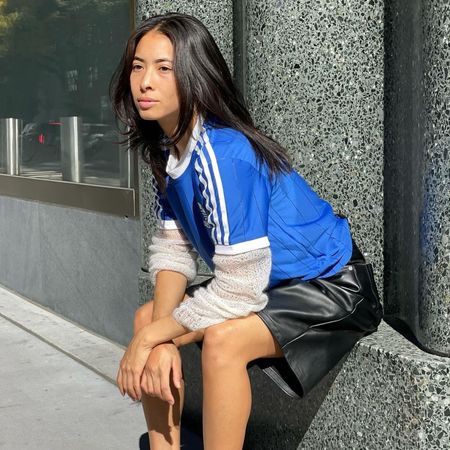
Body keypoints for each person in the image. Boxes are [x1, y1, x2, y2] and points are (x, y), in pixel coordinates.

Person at [110, 12, 383, 450]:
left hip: (334, 286)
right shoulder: (168, 149)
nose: (144, 81)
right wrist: (157, 337)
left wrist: (153, 338)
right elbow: (173, 251)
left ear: (194, 75)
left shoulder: (225, 153)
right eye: (138, 66)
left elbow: (239, 290)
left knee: (222, 342)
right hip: (265, 284)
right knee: (149, 318)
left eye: (164, 68)